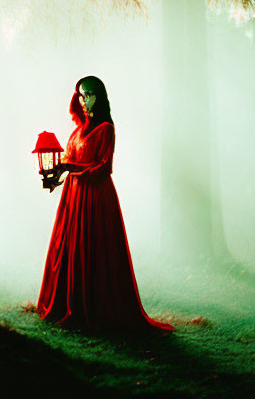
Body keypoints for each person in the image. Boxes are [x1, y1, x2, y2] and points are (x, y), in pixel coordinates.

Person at [37, 76, 174, 332]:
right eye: (80, 95)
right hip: (74, 195)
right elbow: (69, 160)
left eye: (88, 94)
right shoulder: (78, 130)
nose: (83, 99)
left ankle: (95, 307)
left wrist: (69, 167)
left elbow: (102, 167)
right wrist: (54, 176)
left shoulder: (106, 128)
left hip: (95, 197)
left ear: (100, 96)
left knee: (93, 247)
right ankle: (71, 303)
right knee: (71, 247)